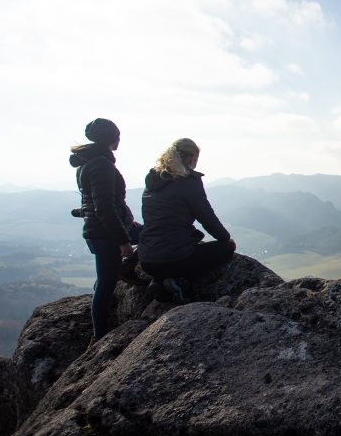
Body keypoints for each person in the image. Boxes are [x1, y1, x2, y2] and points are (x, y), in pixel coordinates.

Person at [70, 118, 143, 340]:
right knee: (105, 284)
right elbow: (104, 208)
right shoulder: (101, 165)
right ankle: (99, 336)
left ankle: (126, 268)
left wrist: (81, 212)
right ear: (112, 138)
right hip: (107, 233)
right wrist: (123, 242)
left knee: (154, 234)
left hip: (105, 230)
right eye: (117, 136)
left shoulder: (89, 163)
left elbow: (93, 203)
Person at [137, 138, 235, 301]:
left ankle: (159, 280)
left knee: (172, 248)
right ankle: (178, 281)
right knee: (225, 248)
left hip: (147, 259)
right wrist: (225, 239)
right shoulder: (188, 181)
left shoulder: (153, 182)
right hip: (175, 258)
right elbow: (206, 217)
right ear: (191, 158)